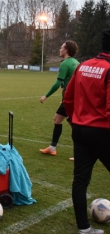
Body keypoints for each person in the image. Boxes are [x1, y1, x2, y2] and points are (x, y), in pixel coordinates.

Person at [63, 29, 110, 234]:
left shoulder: (84, 65)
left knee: (80, 180)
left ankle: (84, 228)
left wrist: (75, 120)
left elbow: (68, 98)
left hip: (80, 130)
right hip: (102, 132)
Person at [39, 40, 79, 156]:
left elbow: (58, 83)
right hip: (73, 98)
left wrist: (46, 96)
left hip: (70, 99)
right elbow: (70, 81)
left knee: (75, 126)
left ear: (66, 50)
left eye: (61, 47)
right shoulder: (76, 62)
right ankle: (52, 148)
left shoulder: (65, 64)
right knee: (57, 119)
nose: (60, 49)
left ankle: (82, 153)